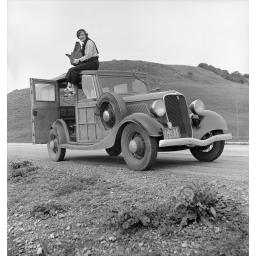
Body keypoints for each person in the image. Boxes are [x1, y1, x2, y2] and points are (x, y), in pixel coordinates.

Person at [64, 29, 99, 96]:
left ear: (85, 35)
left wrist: (78, 60)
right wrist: (75, 61)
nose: (81, 37)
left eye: (82, 35)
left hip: (93, 63)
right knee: (72, 69)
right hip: (89, 62)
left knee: (73, 69)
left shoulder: (89, 42)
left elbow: (88, 55)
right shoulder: (84, 43)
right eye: (79, 36)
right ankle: (70, 87)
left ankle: (70, 88)